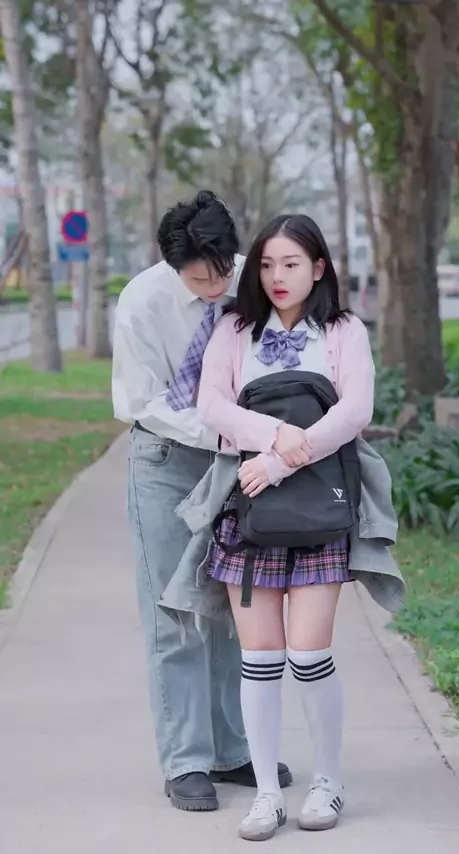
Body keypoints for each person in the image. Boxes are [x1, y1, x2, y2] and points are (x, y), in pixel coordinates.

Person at [111, 190, 292, 813]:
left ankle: (233, 748)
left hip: (241, 460)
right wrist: (225, 431)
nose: (215, 289)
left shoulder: (253, 280)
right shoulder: (143, 301)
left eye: (222, 275)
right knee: (174, 612)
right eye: (199, 280)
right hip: (167, 459)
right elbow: (143, 401)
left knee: (234, 605)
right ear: (173, 265)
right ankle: (186, 759)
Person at [196, 213, 375, 840]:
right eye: (267, 264)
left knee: (308, 654)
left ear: (318, 267)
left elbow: (355, 410)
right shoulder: (234, 329)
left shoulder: (344, 330)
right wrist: (273, 434)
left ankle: (327, 781)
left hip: (319, 506)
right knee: (261, 658)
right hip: (249, 512)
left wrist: (279, 461)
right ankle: (268, 794)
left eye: (291, 264)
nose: (277, 276)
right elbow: (211, 405)